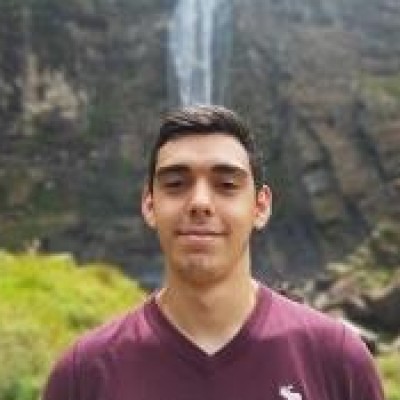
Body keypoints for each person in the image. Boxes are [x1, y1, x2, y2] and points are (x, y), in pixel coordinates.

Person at [42, 105, 384, 400]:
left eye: (227, 185)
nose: (200, 203)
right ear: (149, 205)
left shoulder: (337, 361)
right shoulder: (83, 375)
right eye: (176, 184)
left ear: (261, 206)